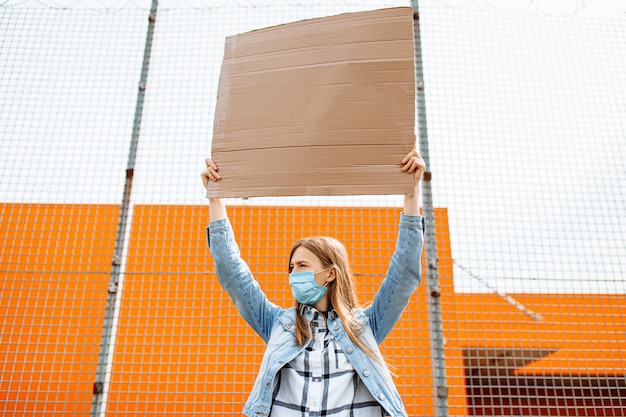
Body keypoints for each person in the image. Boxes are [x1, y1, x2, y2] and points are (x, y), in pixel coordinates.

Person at [201, 149, 426, 417]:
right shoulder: (277, 324)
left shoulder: (365, 326)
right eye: (291, 268)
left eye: (303, 266)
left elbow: (404, 274)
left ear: (330, 273)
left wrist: (411, 191)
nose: (294, 274)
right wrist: (215, 199)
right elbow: (232, 274)